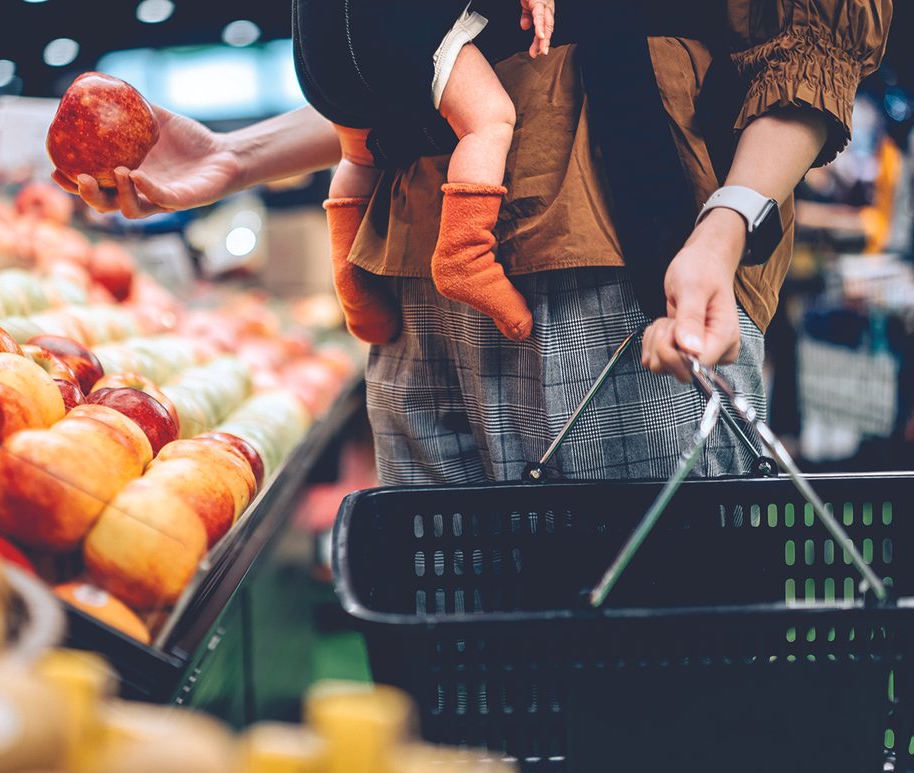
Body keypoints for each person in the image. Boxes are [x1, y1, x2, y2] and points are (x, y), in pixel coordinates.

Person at [56, 0, 893, 487]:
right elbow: (438, 61)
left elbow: (810, 36)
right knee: (456, 673)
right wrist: (233, 154)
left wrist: (727, 221)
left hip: (623, 258)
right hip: (419, 284)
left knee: (648, 655)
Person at [301, 1, 555, 345]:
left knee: (358, 159)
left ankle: (350, 276)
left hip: (316, 47)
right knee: (487, 121)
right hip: (394, 23)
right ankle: (464, 255)